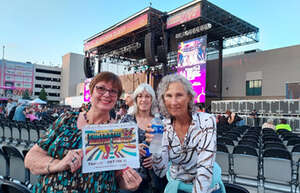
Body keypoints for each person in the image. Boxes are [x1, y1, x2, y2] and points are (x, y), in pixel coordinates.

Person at [24, 72, 142, 192]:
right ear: (91, 91)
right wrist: (59, 164)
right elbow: (30, 158)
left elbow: (118, 177)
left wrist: (129, 183)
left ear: (117, 97)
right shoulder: (67, 119)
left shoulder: (120, 132)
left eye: (113, 91)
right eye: (101, 88)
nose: (107, 94)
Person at [146, 74, 223, 193]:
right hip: (178, 187)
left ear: (189, 97)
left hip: (206, 188)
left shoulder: (206, 121)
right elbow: (160, 171)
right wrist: (156, 147)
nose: (173, 102)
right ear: (163, 100)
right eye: (169, 96)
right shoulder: (163, 126)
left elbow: (205, 169)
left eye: (179, 95)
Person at [120, 83, 162, 193]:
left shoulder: (159, 121)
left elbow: (167, 147)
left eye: (147, 96)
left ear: (152, 99)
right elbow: (118, 148)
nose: (143, 100)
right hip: (131, 177)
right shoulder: (126, 120)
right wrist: (133, 149)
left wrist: (156, 160)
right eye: (140, 96)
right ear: (135, 99)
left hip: (154, 178)